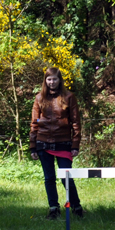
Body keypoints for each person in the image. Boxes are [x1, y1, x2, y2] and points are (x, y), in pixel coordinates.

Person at [29, 67, 84, 219]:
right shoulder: (39, 98)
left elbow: (76, 123)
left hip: (64, 143)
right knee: (49, 178)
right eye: (49, 79)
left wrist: (75, 144)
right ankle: (54, 208)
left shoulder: (69, 97)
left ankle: (76, 207)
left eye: (54, 79)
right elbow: (34, 122)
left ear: (60, 80)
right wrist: (33, 145)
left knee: (66, 177)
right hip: (43, 142)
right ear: (45, 81)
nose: (52, 82)